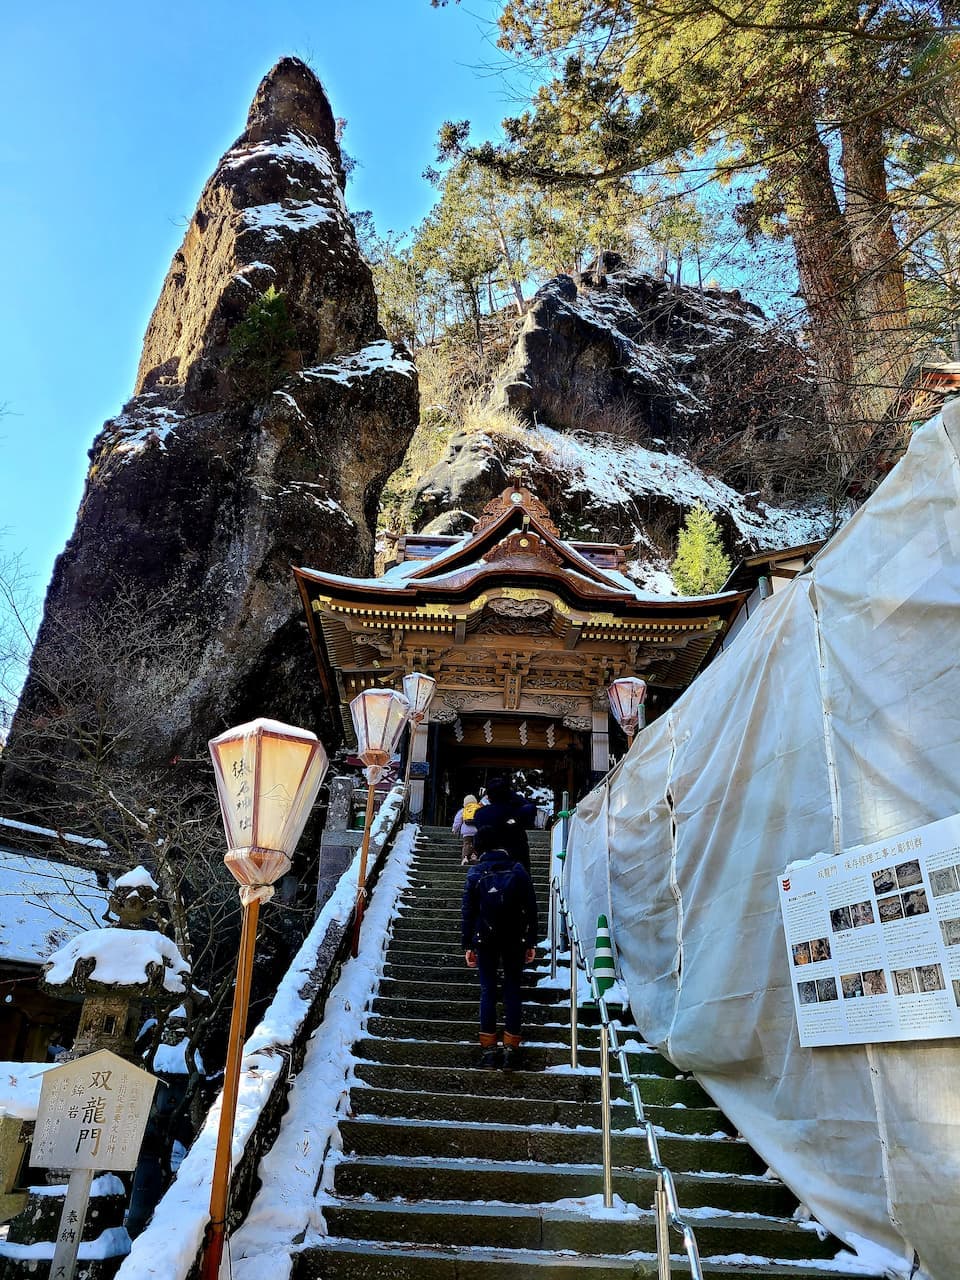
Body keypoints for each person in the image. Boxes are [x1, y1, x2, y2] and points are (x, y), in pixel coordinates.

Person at [461, 825, 538, 1069]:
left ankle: (488, 1047)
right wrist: (531, 940)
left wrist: (468, 944)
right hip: (515, 939)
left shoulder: (475, 873)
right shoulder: (518, 870)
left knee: (488, 991)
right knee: (513, 990)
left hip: (485, 939)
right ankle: (511, 1046)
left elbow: (468, 913)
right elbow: (532, 909)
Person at [472, 775, 536, 873]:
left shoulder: (480, 814)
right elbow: (530, 808)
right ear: (508, 794)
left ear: (488, 796)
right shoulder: (517, 811)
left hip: (488, 864)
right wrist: (512, 794)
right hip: (516, 861)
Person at [452, 793, 480, 866]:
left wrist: (455, 829)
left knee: (466, 844)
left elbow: (458, 820)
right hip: (477, 831)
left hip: (466, 832)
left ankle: (465, 857)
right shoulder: (479, 808)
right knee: (476, 844)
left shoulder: (463, 810)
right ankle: (474, 856)